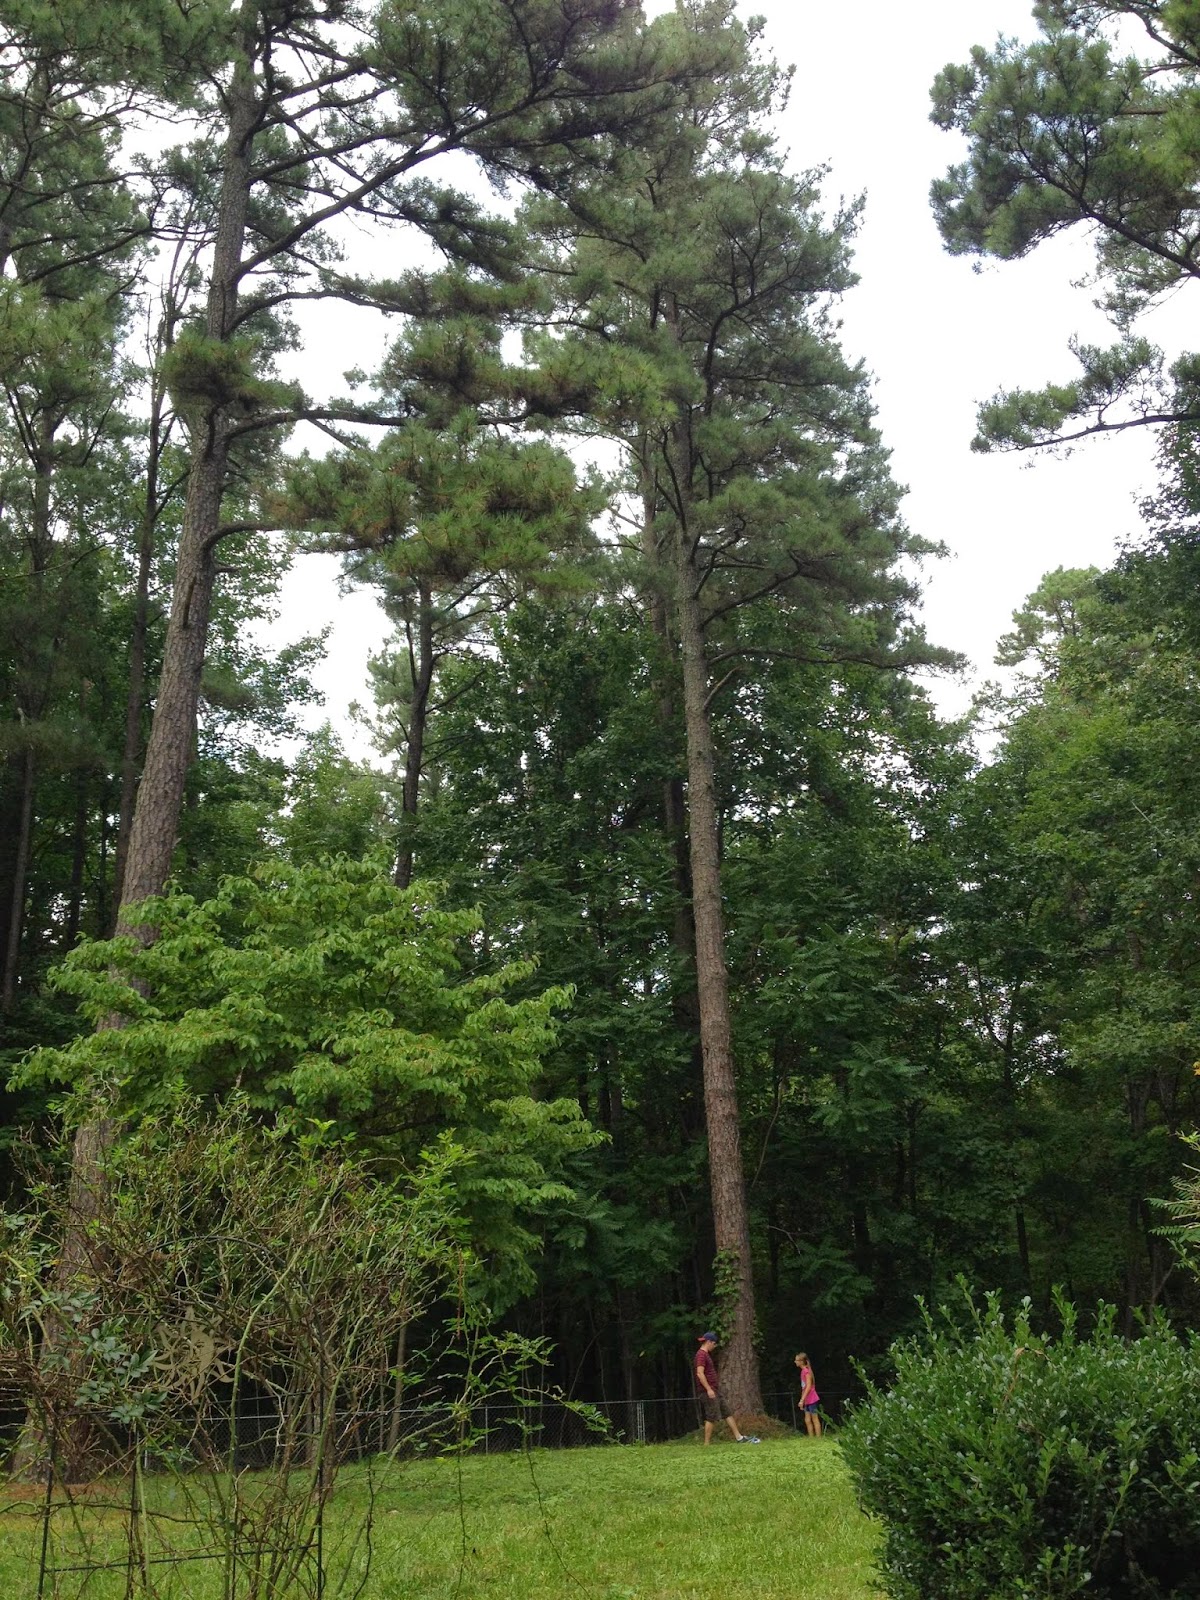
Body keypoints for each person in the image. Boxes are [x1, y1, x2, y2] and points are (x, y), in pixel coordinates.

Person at [694, 1333, 759, 1445]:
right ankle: (706, 1444)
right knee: (711, 1416)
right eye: (714, 1344)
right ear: (709, 1342)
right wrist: (708, 1389)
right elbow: (700, 1373)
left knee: (727, 1412)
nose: (714, 1346)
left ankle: (739, 1437)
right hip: (707, 1391)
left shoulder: (706, 1355)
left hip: (715, 1389)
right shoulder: (701, 1355)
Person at [794, 1351, 822, 1437]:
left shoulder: (806, 1371)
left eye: (797, 1360)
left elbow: (809, 1386)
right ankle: (811, 1438)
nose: (795, 1362)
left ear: (802, 1361)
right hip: (807, 1399)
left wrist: (802, 1400)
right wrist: (802, 1400)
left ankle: (819, 1438)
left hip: (812, 1398)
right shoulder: (803, 1371)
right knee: (807, 1420)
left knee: (814, 1418)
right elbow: (804, 1387)